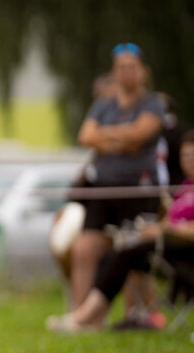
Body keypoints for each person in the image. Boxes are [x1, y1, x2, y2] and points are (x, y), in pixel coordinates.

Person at [48, 129, 194, 332]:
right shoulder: (185, 188)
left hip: (184, 252)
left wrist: (164, 231)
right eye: (185, 156)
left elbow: (180, 228)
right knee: (116, 253)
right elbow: (168, 221)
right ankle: (102, 316)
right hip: (166, 246)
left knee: (123, 255)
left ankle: (85, 317)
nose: (188, 161)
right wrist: (154, 229)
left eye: (192, 156)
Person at [67, 43, 165, 309]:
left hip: (138, 190)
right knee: (84, 248)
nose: (127, 73)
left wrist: (105, 135)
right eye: (121, 67)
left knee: (136, 250)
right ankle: (84, 318)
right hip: (103, 189)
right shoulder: (103, 104)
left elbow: (140, 136)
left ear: (143, 71)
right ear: (114, 70)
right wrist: (124, 137)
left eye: (132, 67)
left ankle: (142, 314)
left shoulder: (153, 103)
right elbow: (86, 136)